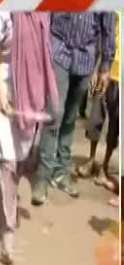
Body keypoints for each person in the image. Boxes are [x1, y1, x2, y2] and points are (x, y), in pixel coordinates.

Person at [0, 12, 59, 265]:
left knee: (21, 157)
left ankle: (13, 197)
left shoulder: (43, 13)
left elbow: (43, 55)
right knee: (7, 160)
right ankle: (8, 229)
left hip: (32, 93)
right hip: (6, 92)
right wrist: (2, 96)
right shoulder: (3, 13)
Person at [32, 12, 116, 204]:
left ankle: (61, 172)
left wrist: (105, 66)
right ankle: (43, 176)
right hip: (58, 48)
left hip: (86, 56)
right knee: (54, 114)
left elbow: (108, 26)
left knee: (70, 118)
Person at [77, 12, 120, 196]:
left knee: (115, 126)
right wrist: (96, 69)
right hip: (105, 70)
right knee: (95, 118)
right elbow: (100, 35)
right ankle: (91, 160)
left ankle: (104, 168)